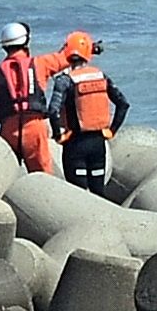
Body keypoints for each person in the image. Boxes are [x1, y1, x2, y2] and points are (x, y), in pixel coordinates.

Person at [0, 22, 70, 174]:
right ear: (26, 42)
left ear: (4, 46)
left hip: (8, 130)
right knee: (43, 176)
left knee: (5, 176)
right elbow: (65, 59)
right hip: (35, 128)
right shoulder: (41, 64)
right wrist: (89, 48)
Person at [48, 31, 129, 197]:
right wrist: (112, 130)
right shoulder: (100, 76)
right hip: (98, 144)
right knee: (98, 192)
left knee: (78, 195)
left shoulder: (65, 80)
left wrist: (58, 135)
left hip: (74, 144)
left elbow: (53, 110)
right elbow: (123, 104)